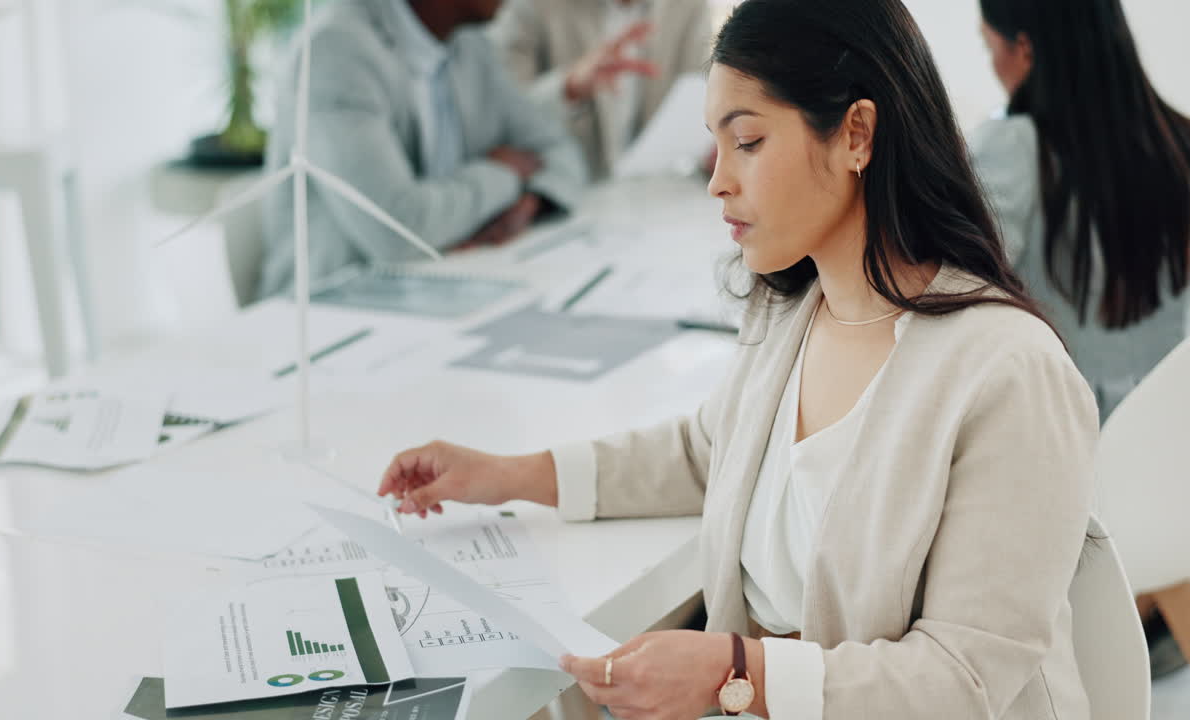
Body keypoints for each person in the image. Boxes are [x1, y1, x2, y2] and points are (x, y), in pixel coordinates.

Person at [377, 0, 1100, 717]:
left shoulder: (1008, 373)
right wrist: (507, 475)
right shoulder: (791, 311)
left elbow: (964, 677)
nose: (718, 179)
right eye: (715, 147)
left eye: (747, 141)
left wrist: (737, 673)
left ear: (856, 134)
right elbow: (709, 451)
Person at [973, 0, 1190, 423]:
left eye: (990, 47)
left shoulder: (1014, 149)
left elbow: (968, 288)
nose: (993, 65)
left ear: (1025, 49)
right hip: (1182, 421)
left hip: (1061, 423)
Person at [259, 0, 587, 296]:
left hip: (450, 285)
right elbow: (397, 234)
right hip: (336, 313)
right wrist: (505, 175)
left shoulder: (470, 45)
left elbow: (559, 151)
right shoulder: (336, 49)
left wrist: (531, 202)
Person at [487, 0, 713, 179]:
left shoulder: (690, 6)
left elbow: (699, 93)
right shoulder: (527, 7)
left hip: (654, 191)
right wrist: (568, 87)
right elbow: (500, 119)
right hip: (564, 194)